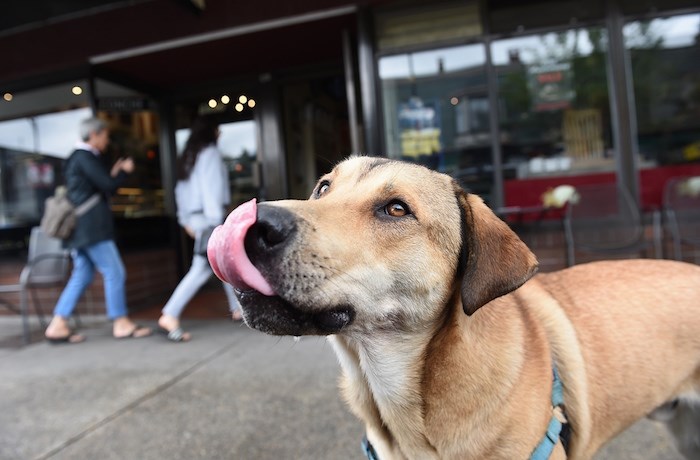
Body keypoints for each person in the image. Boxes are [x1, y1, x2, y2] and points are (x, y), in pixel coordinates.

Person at [44, 117, 152, 344]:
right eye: (104, 136)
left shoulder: (76, 158)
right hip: (91, 228)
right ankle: (121, 322)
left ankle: (58, 324)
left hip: (80, 230)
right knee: (115, 272)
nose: (106, 140)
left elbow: (94, 186)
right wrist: (123, 172)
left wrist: (112, 173)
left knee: (82, 275)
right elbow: (108, 186)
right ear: (93, 134)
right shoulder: (84, 156)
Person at [158, 117, 241, 342]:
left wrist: (184, 219)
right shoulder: (210, 153)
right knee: (203, 267)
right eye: (218, 130)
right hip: (209, 218)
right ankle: (170, 313)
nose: (220, 135)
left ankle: (237, 309)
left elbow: (180, 190)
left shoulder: (188, 156)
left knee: (221, 262)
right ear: (211, 132)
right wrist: (217, 222)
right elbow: (211, 188)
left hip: (195, 219)